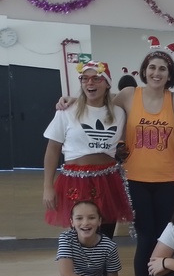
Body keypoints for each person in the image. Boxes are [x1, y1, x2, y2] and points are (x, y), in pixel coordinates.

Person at [119, 50, 174, 276]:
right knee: (145, 239)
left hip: (169, 180)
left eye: (162, 69)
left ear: (169, 74)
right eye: (152, 67)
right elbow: (98, 105)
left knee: (165, 239)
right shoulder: (129, 95)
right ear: (144, 70)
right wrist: (70, 100)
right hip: (136, 179)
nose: (156, 73)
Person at [42, 61, 133, 238]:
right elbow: (52, 150)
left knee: (105, 236)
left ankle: (103, 258)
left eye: (96, 78)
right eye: (84, 78)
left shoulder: (119, 113)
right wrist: (47, 186)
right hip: (76, 182)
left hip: (108, 180)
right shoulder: (67, 111)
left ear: (107, 83)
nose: (90, 82)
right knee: (80, 235)